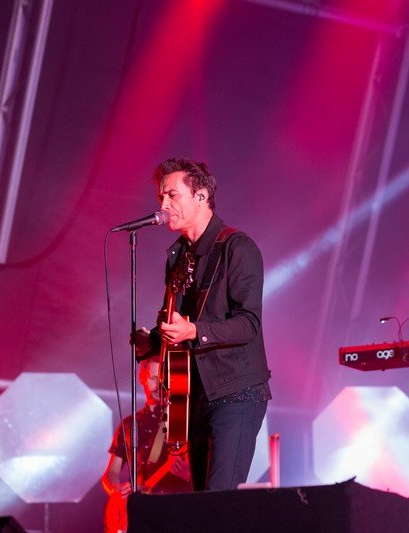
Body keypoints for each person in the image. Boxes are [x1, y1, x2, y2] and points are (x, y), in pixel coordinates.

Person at [134, 157, 271, 491]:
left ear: (201, 196)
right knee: (200, 502)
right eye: (161, 197)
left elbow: (248, 324)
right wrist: (153, 341)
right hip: (193, 395)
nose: (163, 205)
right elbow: (177, 322)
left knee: (220, 500)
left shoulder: (237, 248)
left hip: (236, 392)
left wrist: (194, 331)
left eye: (172, 195)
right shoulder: (178, 256)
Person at [101, 357, 191, 533]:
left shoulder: (181, 421)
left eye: (162, 379)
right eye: (153, 378)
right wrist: (115, 490)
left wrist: (188, 475)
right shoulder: (129, 424)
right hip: (139, 513)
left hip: (173, 511)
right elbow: (111, 473)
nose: (158, 386)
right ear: (142, 378)